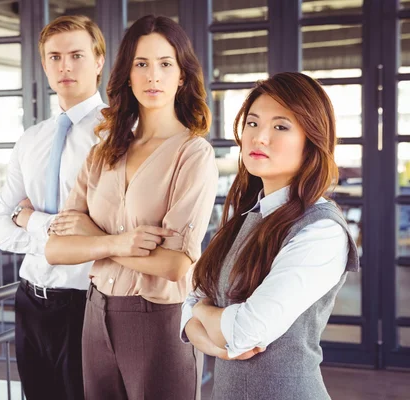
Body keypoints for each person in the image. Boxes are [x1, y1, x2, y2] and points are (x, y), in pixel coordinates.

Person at [45, 15, 218, 400]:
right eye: (141, 64)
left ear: (182, 76)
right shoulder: (103, 152)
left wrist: (93, 237)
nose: (152, 76)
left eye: (165, 64)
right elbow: (55, 249)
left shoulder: (192, 154)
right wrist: (119, 244)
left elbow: (175, 265)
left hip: (158, 318)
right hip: (95, 313)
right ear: (127, 74)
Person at [181, 72, 360, 400]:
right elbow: (192, 295)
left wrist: (202, 316)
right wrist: (202, 326)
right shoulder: (249, 215)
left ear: (312, 140)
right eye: (252, 123)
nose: (259, 137)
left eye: (280, 126)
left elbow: (247, 331)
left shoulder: (321, 230)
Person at [0, 15, 105, 400]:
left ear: (99, 60)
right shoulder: (31, 139)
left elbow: (111, 232)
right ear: (44, 65)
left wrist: (29, 218)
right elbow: (3, 229)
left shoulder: (117, 135)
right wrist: (54, 229)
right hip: (29, 300)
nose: (65, 66)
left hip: (86, 303)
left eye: (76, 55)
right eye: (54, 57)